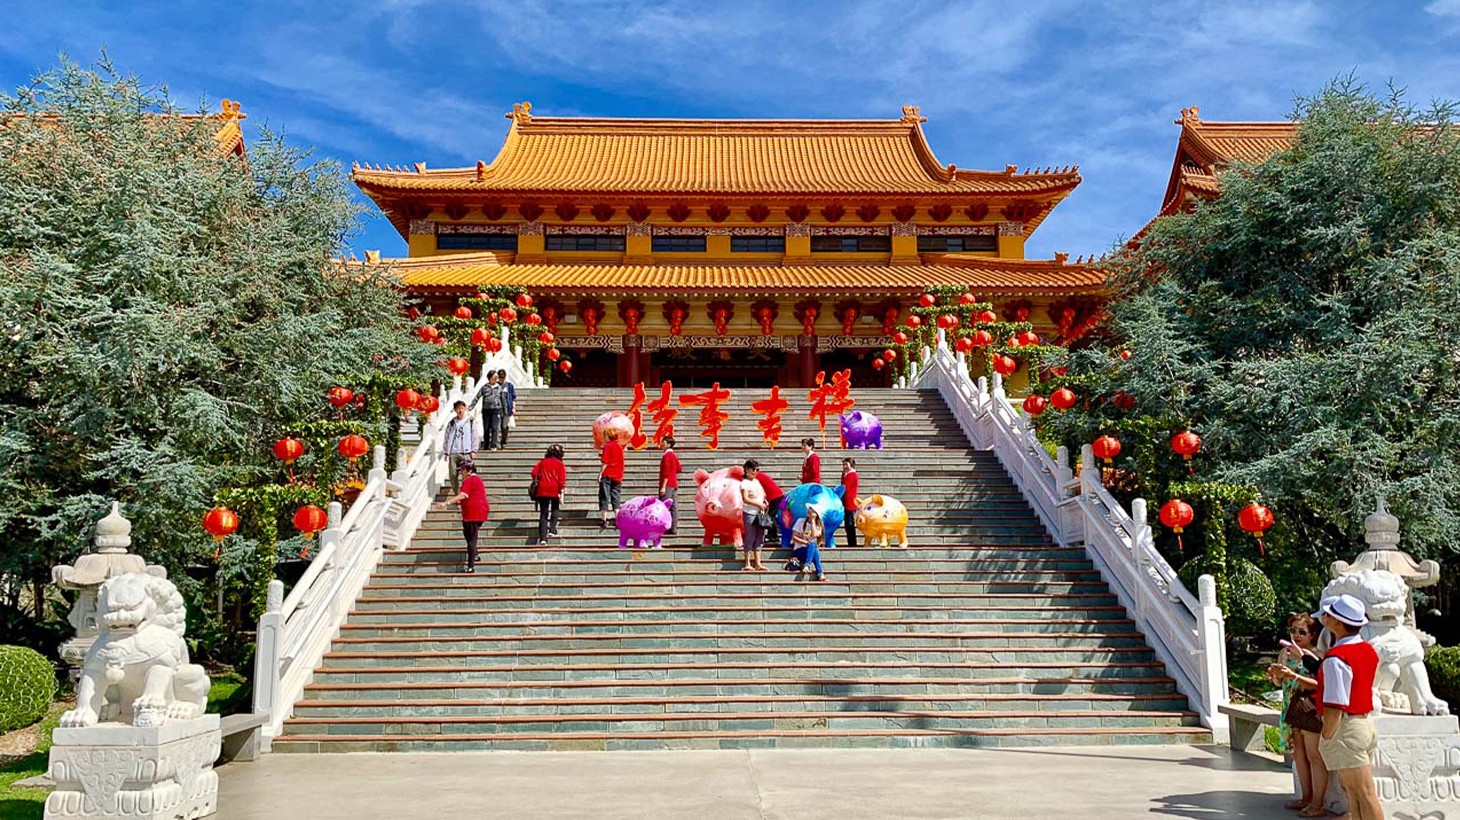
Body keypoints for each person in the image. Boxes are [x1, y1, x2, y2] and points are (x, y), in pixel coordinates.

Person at [1313, 594, 1384, 820]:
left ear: (1338, 622)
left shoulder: (1336, 658)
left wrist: (1326, 735)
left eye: (1330, 615)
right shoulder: (1367, 650)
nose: (1326, 618)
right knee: (1355, 792)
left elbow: (1335, 704)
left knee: (1363, 793)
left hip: (1346, 727)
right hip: (1364, 723)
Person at [1267, 612, 1328, 816]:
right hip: (1290, 708)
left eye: (1302, 631)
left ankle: (1317, 803)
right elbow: (1280, 682)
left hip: (1309, 708)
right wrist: (1276, 676)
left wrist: (1293, 675)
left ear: (1312, 634)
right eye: (1293, 630)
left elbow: (1320, 683)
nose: (1297, 635)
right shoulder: (1285, 654)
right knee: (1298, 756)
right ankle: (1306, 797)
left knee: (1314, 756)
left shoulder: (1317, 655)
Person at [434, 460, 489, 573]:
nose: (461, 472)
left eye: (463, 470)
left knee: (471, 539)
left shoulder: (469, 480)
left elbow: (463, 495)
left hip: (472, 513)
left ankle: (471, 566)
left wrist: (446, 503)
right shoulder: (478, 479)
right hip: (479, 511)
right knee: (468, 534)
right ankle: (474, 554)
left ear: (469, 470)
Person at [530, 444, 566, 546]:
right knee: (555, 509)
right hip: (554, 488)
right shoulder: (560, 464)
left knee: (543, 514)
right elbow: (562, 480)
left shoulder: (542, 462)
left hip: (542, 488)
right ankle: (552, 530)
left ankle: (543, 538)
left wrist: (538, 479)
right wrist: (562, 492)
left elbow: (533, 473)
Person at [442, 400, 479, 494]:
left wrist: (474, 450)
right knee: (452, 474)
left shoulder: (470, 421)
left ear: (465, 409)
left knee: (467, 475)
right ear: (455, 410)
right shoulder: (451, 423)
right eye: (458, 408)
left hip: (466, 452)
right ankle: (457, 493)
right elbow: (446, 437)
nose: (460, 410)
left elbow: (475, 436)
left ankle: (466, 492)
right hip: (454, 452)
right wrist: (446, 451)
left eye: (462, 408)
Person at [739, 460, 770, 571]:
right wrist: (758, 504)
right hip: (750, 512)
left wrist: (764, 502)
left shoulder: (756, 481)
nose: (755, 472)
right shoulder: (744, 483)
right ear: (747, 470)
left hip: (759, 513)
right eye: (754, 469)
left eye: (757, 469)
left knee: (759, 537)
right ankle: (747, 562)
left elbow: (761, 494)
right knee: (750, 537)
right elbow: (745, 498)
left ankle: (758, 562)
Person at [790, 507, 828, 582]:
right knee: (813, 546)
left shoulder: (818, 525)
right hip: (799, 550)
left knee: (813, 545)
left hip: (811, 551)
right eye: (810, 509)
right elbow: (794, 537)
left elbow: (814, 535)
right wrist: (805, 542)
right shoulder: (800, 521)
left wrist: (813, 520)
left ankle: (808, 566)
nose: (810, 511)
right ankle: (819, 573)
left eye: (813, 510)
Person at [751, 463, 785, 546]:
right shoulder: (760, 475)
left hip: (775, 497)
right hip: (776, 496)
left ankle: (774, 536)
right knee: (771, 515)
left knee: (771, 516)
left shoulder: (756, 478)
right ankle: (772, 534)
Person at [598, 429, 624, 528]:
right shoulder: (619, 447)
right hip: (617, 475)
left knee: (604, 496)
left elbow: (605, 461)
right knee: (616, 497)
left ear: (609, 436)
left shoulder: (608, 446)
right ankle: (617, 519)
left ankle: (603, 519)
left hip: (608, 474)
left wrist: (600, 473)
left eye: (605, 436)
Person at [658, 436, 682, 535]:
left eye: (663, 442)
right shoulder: (673, 455)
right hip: (674, 483)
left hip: (667, 484)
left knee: (664, 506)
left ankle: (664, 526)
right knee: (674, 506)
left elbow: (666, 472)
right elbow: (679, 468)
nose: (661, 443)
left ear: (668, 444)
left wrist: (663, 486)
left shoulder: (667, 455)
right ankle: (673, 527)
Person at [478, 371, 504, 451]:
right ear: (490, 378)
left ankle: (493, 445)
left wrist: (504, 410)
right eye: (494, 377)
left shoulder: (499, 387)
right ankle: (486, 445)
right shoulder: (484, 387)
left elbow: (503, 399)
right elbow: (477, 397)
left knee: (494, 427)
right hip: (486, 410)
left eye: (497, 377)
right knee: (486, 428)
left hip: (496, 410)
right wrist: (470, 407)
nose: (496, 378)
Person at [839, 457, 860, 548]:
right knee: (847, 524)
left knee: (850, 523)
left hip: (850, 502)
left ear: (851, 465)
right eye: (843, 465)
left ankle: (852, 543)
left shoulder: (852, 475)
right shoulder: (845, 474)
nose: (844, 466)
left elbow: (845, 488)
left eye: (846, 464)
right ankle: (850, 542)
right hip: (845, 501)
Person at [498, 369, 517, 447]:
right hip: (497, 408)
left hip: (507, 409)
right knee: (497, 426)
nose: (501, 379)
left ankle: (503, 441)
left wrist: (513, 407)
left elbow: (513, 398)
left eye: (503, 377)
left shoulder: (509, 386)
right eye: (500, 377)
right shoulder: (496, 386)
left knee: (504, 426)